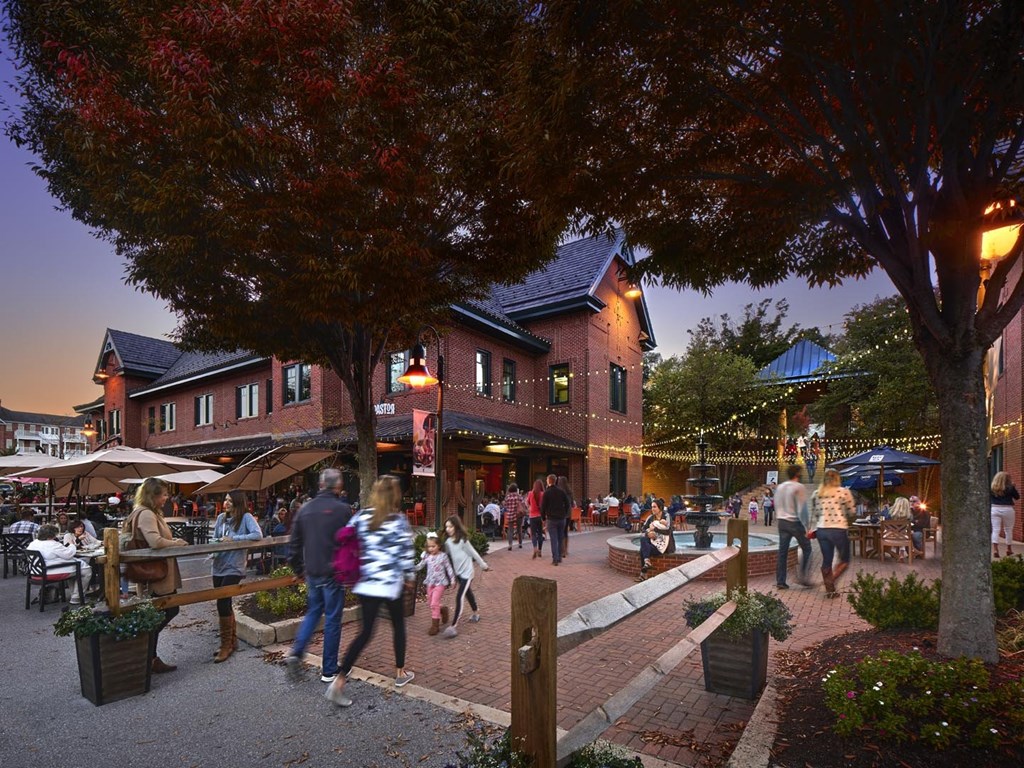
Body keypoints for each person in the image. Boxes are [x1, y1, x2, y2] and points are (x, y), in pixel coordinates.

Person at [326, 475, 416, 707]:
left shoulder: (362, 516)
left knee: (365, 633)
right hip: (390, 583)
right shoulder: (398, 521)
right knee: (398, 627)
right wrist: (410, 578)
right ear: (395, 495)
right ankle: (400, 673)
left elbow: (345, 536)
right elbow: (406, 556)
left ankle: (339, 680)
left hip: (366, 583)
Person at [285, 468, 353, 684]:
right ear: (338, 486)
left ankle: (297, 651)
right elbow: (350, 542)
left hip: (313, 569)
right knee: (333, 618)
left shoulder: (305, 509)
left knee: (313, 612)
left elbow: (294, 544)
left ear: (321, 485)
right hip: (334, 571)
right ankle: (329, 669)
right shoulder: (343, 510)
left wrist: (298, 569)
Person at [125, 477, 189, 672]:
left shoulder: (146, 513)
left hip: (155, 571)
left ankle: (149, 655)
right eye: (164, 494)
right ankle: (146, 652)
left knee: (162, 612)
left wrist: (172, 540)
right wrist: (176, 544)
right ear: (152, 496)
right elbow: (155, 542)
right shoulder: (145, 514)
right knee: (166, 610)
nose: (167, 498)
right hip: (155, 574)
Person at [210, 490, 263, 663]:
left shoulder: (246, 517)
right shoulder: (220, 519)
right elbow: (216, 538)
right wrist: (216, 545)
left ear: (238, 502)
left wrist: (234, 539)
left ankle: (226, 645)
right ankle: (231, 642)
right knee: (224, 602)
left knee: (222, 601)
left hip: (234, 566)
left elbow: (257, 535)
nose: (227, 503)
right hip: (218, 565)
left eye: (230, 500)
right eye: (225, 499)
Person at [808, 468, 855, 598]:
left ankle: (831, 591)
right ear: (837, 479)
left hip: (822, 530)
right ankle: (831, 580)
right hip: (838, 529)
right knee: (845, 560)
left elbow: (816, 513)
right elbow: (851, 512)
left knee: (826, 561)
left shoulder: (817, 493)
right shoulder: (844, 492)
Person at [442, 515, 490, 637]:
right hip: (458, 573)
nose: (448, 529)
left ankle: (453, 625)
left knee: (459, 596)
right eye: (446, 526)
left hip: (467, 573)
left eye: (450, 526)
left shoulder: (463, 541)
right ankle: (476, 613)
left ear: (456, 527)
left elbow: (474, 553)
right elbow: (445, 557)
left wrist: (483, 565)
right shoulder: (447, 542)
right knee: (468, 593)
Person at [27, 523, 88, 604]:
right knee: (85, 569)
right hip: (50, 572)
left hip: (35, 572)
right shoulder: (53, 544)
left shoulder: (33, 543)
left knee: (76, 568)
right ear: (51, 535)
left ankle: (74, 594)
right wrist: (72, 545)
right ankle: (76, 597)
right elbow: (68, 555)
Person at [774, 464, 811, 589]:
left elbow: (776, 504)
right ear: (798, 474)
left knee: (782, 552)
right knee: (807, 548)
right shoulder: (798, 487)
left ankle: (780, 581)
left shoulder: (780, 487)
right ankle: (802, 576)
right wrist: (807, 526)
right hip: (793, 521)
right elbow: (803, 508)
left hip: (782, 521)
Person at [415, 531, 454, 635]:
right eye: (429, 547)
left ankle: (435, 626)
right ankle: (443, 610)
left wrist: (453, 580)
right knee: (430, 603)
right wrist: (410, 568)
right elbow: (420, 565)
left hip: (440, 583)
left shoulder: (443, 556)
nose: (431, 548)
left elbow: (449, 568)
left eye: (433, 546)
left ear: (439, 546)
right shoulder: (427, 556)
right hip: (430, 582)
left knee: (434, 603)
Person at [636, 501, 674, 581]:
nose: (652, 509)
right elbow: (643, 529)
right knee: (643, 537)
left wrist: (655, 529)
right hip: (653, 542)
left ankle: (644, 574)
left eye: (654, 507)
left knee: (642, 550)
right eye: (652, 507)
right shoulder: (650, 517)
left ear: (660, 507)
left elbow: (668, 531)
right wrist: (649, 532)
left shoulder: (666, 516)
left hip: (664, 546)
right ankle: (647, 561)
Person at [541, 473, 570, 565]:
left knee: (553, 539)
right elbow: (567, 503)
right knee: (560, 538)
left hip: (551, 519)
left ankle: (555, 559)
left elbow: (543, 507)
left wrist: (543, 517)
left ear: (549, 481)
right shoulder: (561, 491)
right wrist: (565, 513)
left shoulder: (547, 493)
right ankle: (560, 557)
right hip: (561, 518)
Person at [991, 470, 1019, 559]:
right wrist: (1014, 488)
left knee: (995, 529)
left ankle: (995, 549)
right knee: (1008, 529)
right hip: (1007, 509)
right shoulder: (1010, 488)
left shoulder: (992, 488)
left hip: (995, 508)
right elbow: (1017, 497)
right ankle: (1009, 549)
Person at [501, 483, 525, 550]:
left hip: (510, 515)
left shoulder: (507, 497)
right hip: (518, 514)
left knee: (510, 530)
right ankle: (520, 543)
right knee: (519, 529)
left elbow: (505, 506)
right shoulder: (519, 496)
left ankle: (510, 545)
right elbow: (523, 505)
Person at [557, 476, 575, 556]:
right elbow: (572, 504)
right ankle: (566, 550)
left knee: (560, 532)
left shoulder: (559, 492)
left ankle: (562, 550)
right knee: (565, 532)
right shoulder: (569, 492)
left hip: (561, 514)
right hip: (568, 514)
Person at [527, 479, 545, 559]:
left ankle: (534, 548)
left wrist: (530, 507)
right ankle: (540, 551)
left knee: (533, 534)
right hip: (540, 516)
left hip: (532, 516)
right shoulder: (543, 494)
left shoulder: (530, 493)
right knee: (540, 533)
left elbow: (527, 503)